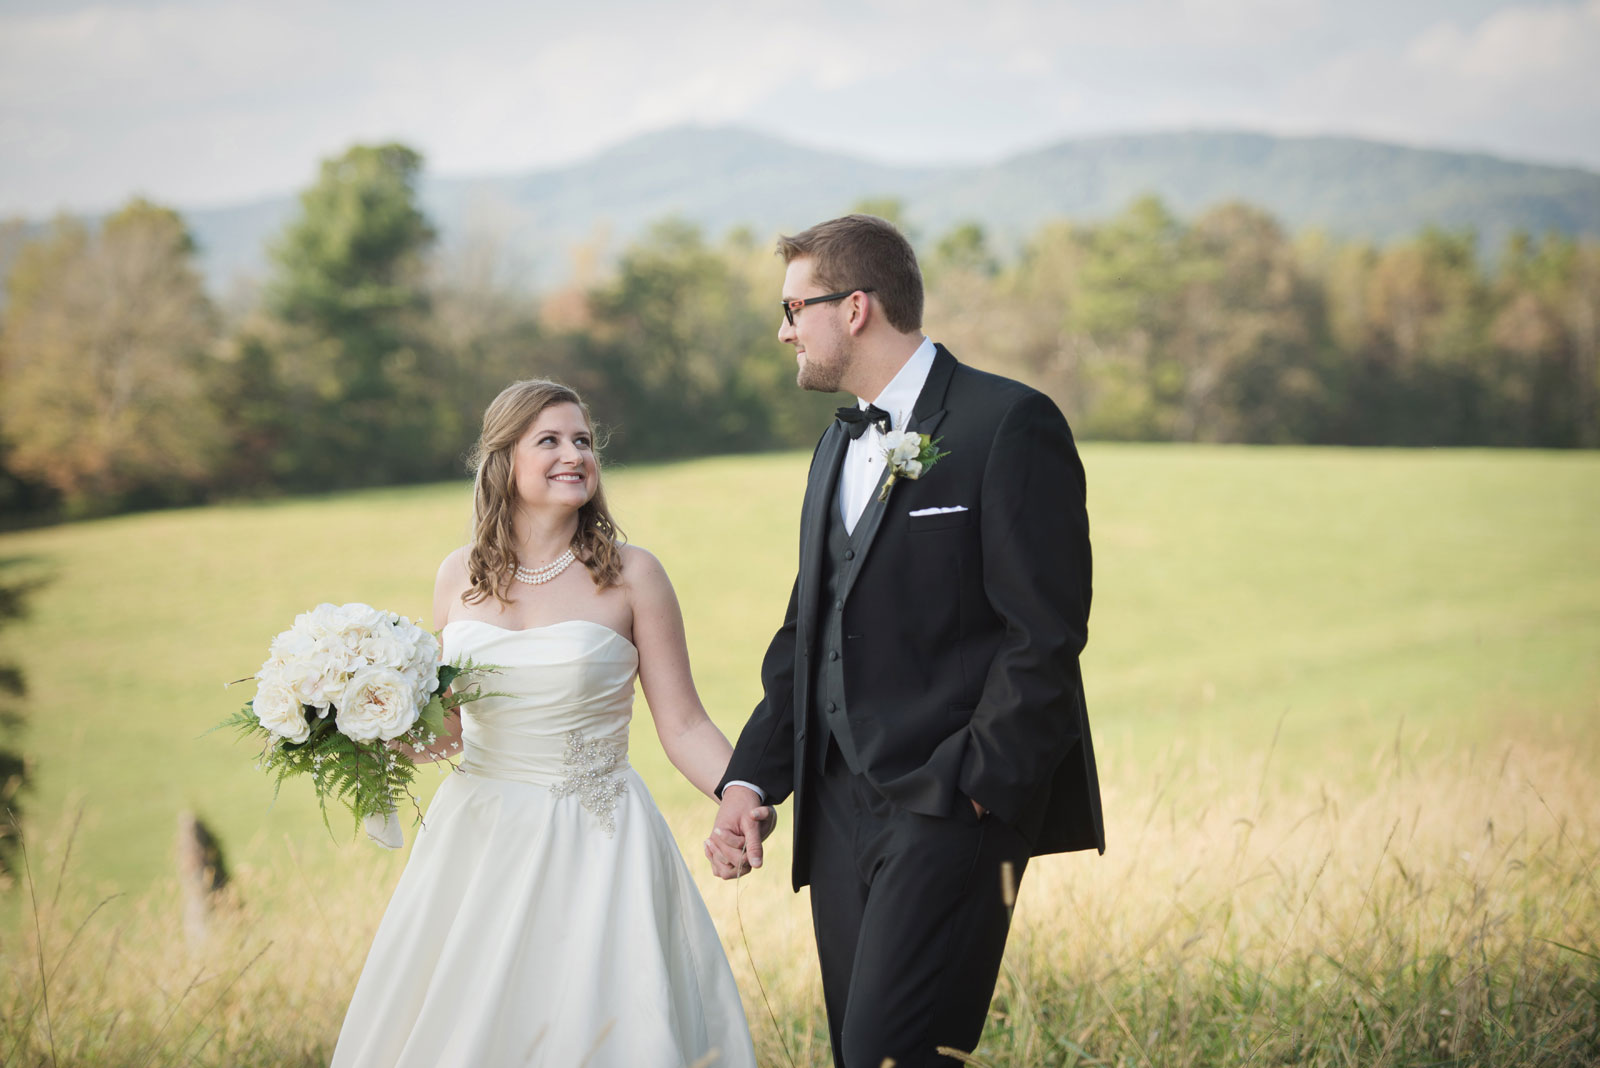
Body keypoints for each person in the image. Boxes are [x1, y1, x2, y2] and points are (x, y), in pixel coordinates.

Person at [705, 214, 1103, 1067]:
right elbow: (807, 635)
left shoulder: (1010, 424)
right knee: (868, 1054)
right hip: (837, 810)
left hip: (949, 802)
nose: (783, 332)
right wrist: (749, 779)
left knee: (894, 1052)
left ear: (855, 308)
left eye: (792, 309)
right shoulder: (834, 447)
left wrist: (975, 790)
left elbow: (1045, 634)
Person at [332, 379, 757, 1068]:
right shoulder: (457, 577)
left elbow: (682, 724)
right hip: (478, 838)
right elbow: (445, 737)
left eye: (583, 440)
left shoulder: (633, 575)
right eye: (550, 440)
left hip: (597, 836)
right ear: (504, 461)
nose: (575, 454)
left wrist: (741, 793)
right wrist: (366, 719)